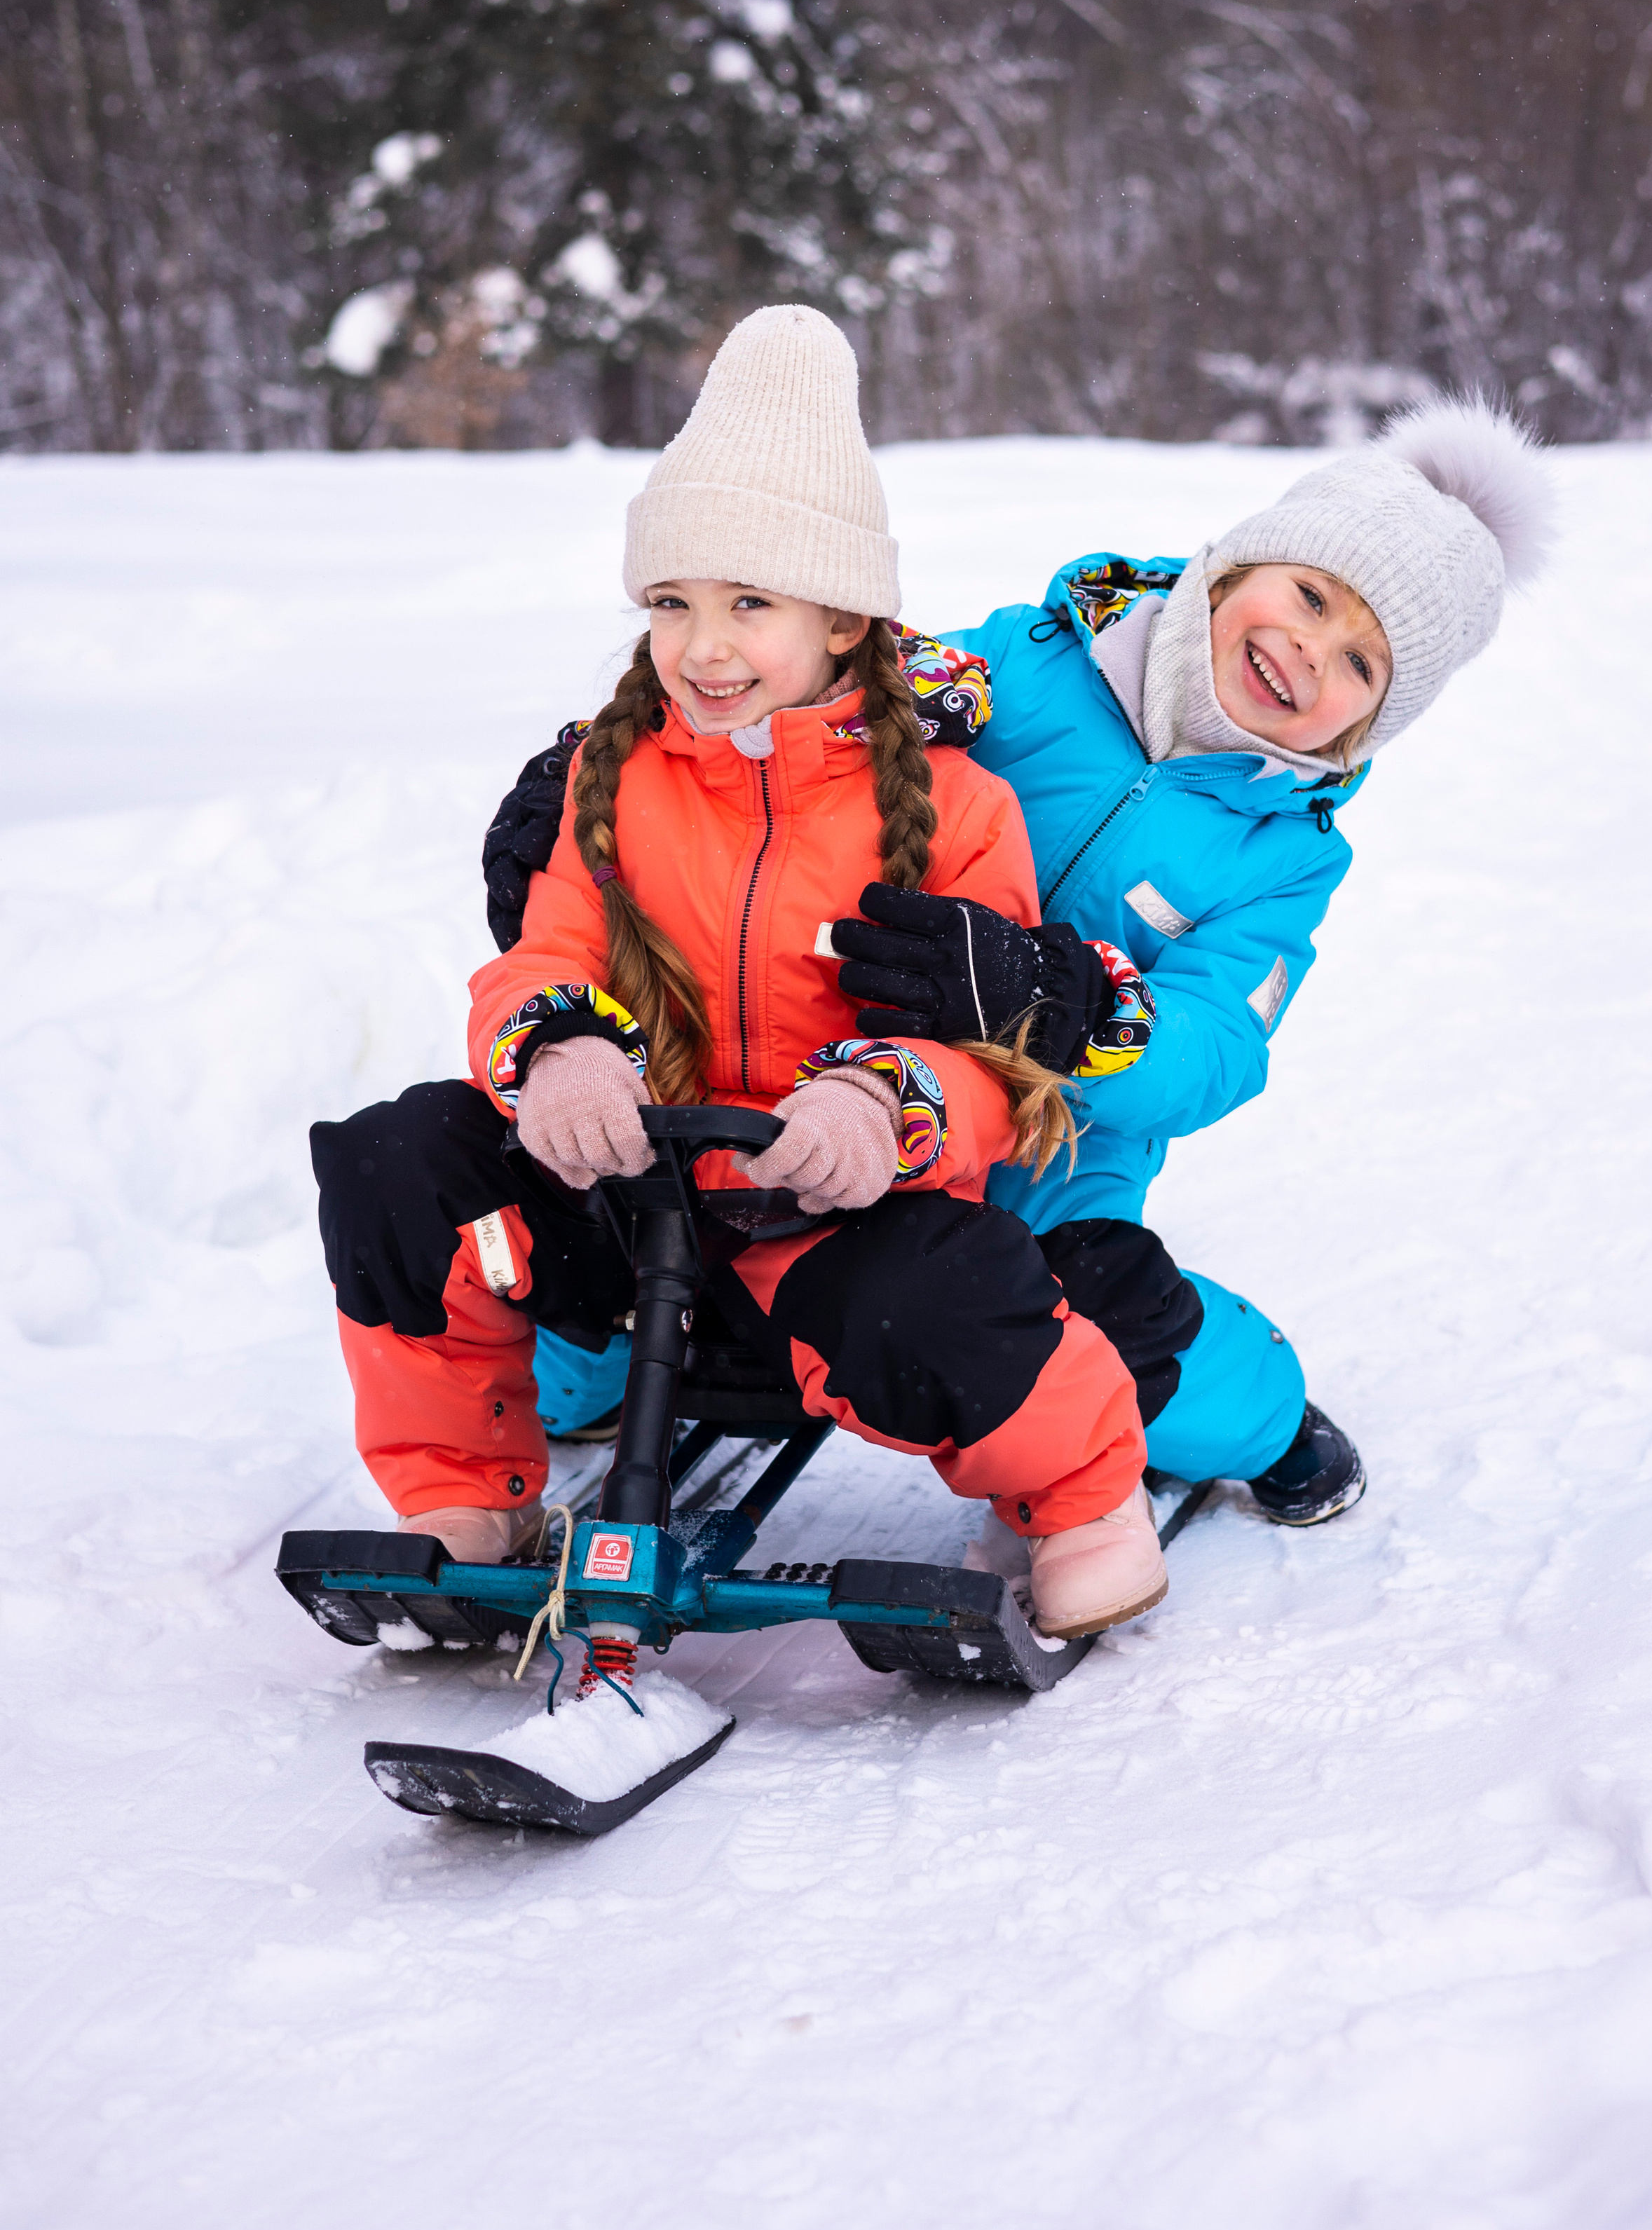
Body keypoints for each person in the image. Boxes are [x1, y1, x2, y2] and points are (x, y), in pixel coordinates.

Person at [311, 306, 1168, 1643]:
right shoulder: (612, 775)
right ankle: (467, 1499)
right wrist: (560, 1052)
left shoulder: (954, 807)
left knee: (953, 1288)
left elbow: (996, 1067)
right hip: (623, 1204)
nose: (704, 649)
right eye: (673, 604)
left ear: (839, 619)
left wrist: (882, 1108)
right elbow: (545, 954)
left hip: (820, 1225)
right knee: (398, 1157)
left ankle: (1085, 1498)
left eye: (750, 604)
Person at [830, 399, 1557, 1520]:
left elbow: (1220, 1042)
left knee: (1076, 1309)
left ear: (1369, 725)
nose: (1312, 649)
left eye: (1363, 661)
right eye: (1311, 595)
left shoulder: (1283, 858)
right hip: (849, 1043)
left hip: (1058, 1145)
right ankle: (577, 1368)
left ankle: (1258, 1412)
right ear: (1231, 571)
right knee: (675, 1201)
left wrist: (1076, 1014)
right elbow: (835, 712)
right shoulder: (1030, 661)